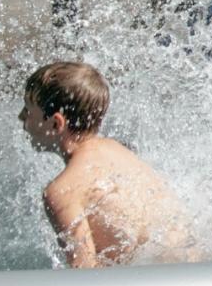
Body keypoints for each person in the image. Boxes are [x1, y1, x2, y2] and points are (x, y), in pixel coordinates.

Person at [19, 61, 200, 268]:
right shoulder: (118, 151)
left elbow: (84, 273)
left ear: (56, 123)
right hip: (195, 267)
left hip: (159, 282)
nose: (21, 117)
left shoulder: (63, 191)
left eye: (27, 109)